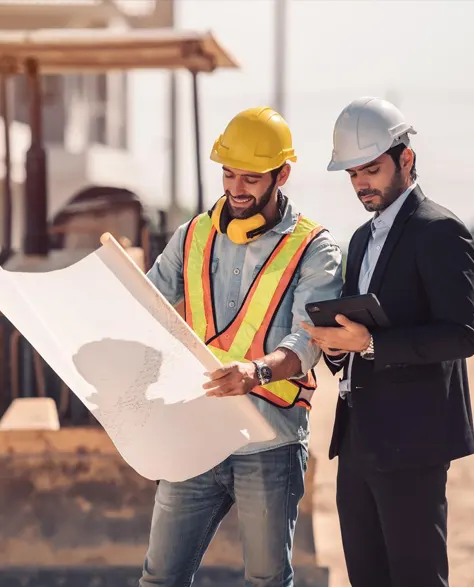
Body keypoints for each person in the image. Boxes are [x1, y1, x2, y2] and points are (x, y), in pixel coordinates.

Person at [140, 106, 343, 587]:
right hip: (196, 434)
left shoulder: (314, 249)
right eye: (229, 174)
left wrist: (257, 372)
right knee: (159, 579)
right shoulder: (192, 236)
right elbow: (144, 306)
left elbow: (307, 340)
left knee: (266, 582)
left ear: (282, 174)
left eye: (251, 178)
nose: (236, 188)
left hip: (268, 442)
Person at [302, 96, 474, 587]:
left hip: (414, 444)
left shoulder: (439, 231)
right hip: (358, 442)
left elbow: (463, 332)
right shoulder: (358, 239)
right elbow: (359, 335)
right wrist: (338, 348)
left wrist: (373, 345)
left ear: (406, 160)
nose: (361, 184)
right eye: (353, 173)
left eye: (371, 170)